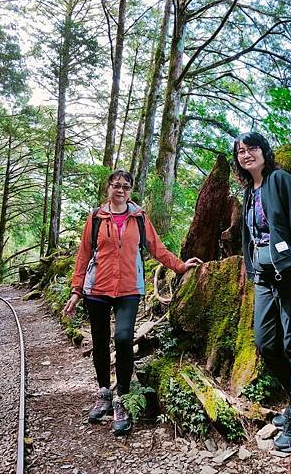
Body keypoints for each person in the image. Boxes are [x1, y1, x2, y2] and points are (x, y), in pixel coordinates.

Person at [63, 169, 202, 436]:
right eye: (116, 185)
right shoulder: (95, 218)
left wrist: (180, 266)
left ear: (130, 191)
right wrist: (76, 290)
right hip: (97, 289)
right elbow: (83, 255)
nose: (121, 190)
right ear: (108, 188)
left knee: (124, 338)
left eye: (126, 187)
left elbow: (156, 248)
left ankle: (122, 398)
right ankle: (104, 392)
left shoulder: (139, 218)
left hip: (129, 289)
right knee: (101, 342)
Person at [233, 132, 291, 452]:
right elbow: (249, 236)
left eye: (251, 148)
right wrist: (251, 267)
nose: (246, 155)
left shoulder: (281, 180)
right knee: (266, 342)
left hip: (290, 272)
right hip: (263, 277)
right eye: (240, 151)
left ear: (263, 152)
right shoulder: (248, 191)